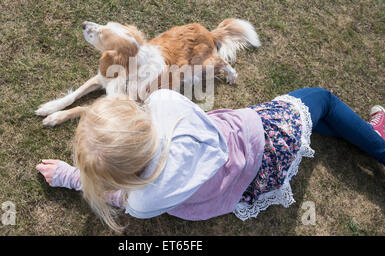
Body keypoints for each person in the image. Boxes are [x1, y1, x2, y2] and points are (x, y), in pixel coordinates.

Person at [36, 87, 385, 233]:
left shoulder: (142, 201)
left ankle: (366, 135)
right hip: (266, 140)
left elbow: (117, 196)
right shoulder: (164, 103)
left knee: (319, 120)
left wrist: (70, 176)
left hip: (238, 187)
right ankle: (378, 142)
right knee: (320, 99)